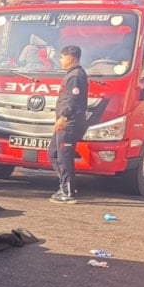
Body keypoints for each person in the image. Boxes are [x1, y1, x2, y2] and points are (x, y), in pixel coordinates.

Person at [50, 45, 89, 204]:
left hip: (69, 123)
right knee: (53, 152)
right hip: (65, 123)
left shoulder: (75, 76)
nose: (60, 60)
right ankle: (66, 184)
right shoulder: (72, 74)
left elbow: (73, 101)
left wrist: (64, 117)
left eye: (62, 57)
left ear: (70, 58)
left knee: (64, 157)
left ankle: (68, 192)